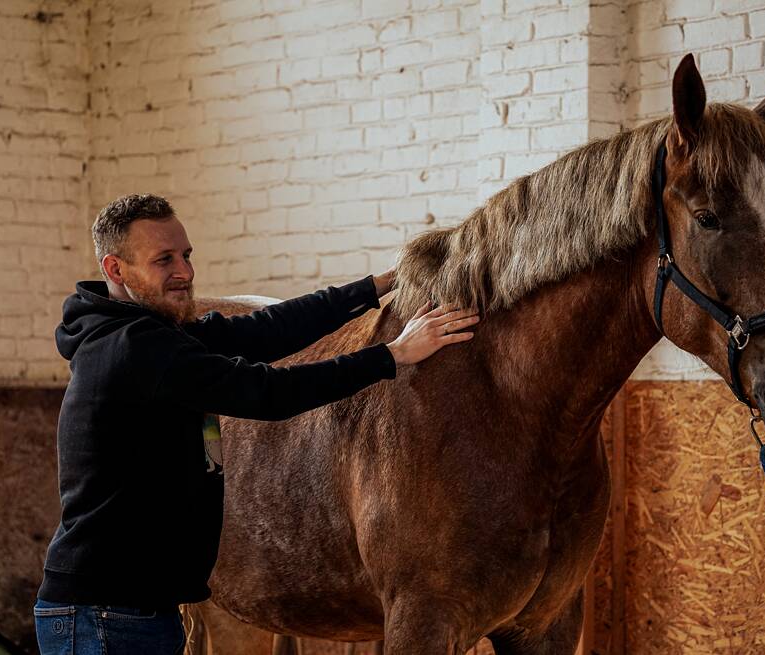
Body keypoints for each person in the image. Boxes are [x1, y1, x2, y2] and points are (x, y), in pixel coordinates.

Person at [33, 194, 480, 654]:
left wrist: (378, 286)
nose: (184, 271)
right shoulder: (136, 349)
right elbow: (269, 392)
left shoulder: (157, 335)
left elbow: (267, 329)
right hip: (104, 616)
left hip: (127, 610)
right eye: (163, 260)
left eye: (186, 255)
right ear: (116, 269)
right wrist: (394, 355)